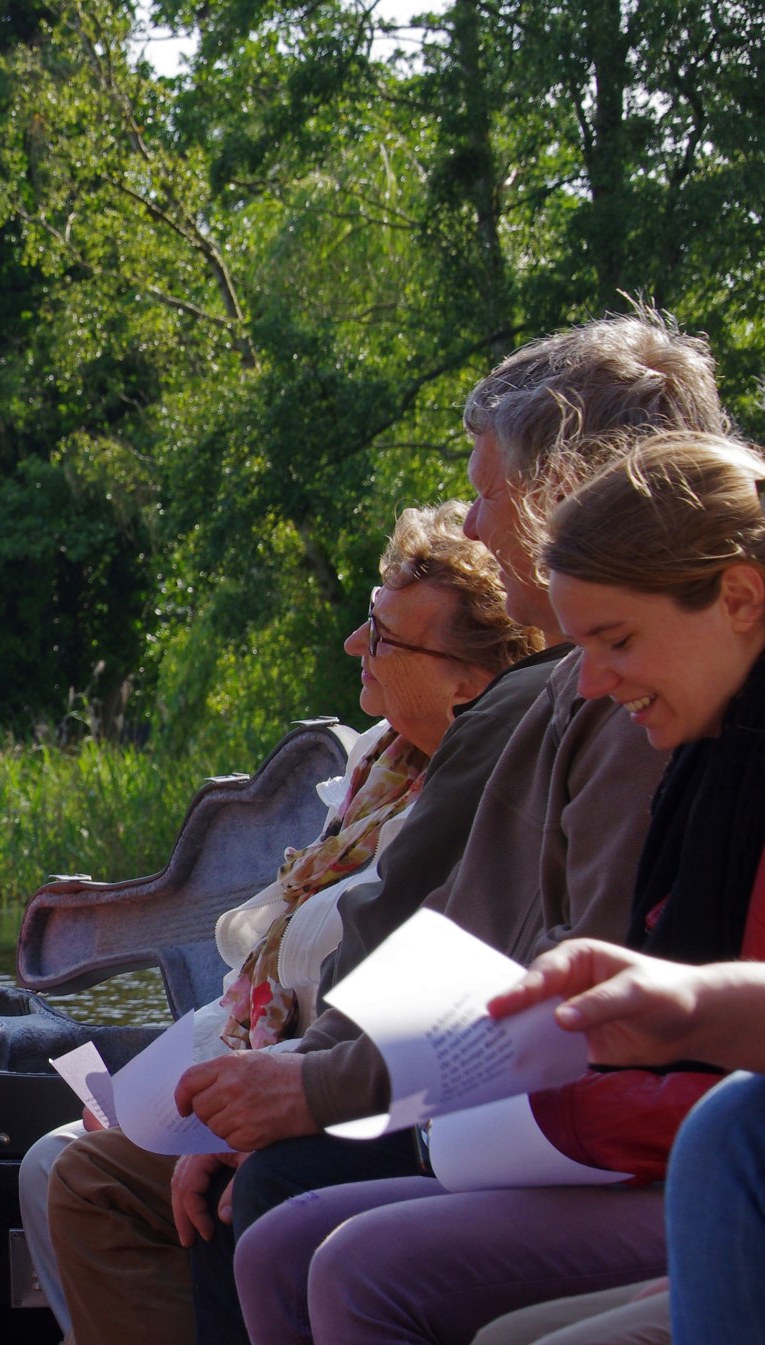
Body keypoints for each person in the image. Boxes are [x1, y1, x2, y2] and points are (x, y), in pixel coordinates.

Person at [167, 313, 727, 1344]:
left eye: (486, 492)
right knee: (280, 1228)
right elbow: (453, 938)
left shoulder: (650, 702)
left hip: (631, 1135)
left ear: (576, 487)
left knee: (334, 1244)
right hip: (570, 1124)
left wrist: (307, 1093)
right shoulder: (570, 690)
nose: (470, 527)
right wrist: (284, 1081)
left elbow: (579, 985)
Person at [29, 502, 536, 1344]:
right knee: (61, 1157)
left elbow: (403, 983)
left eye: (381, 636)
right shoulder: (378, 770)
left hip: (377, 1084)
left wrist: (263, 1094)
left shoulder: (475, 790)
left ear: (466, 680)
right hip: (286, 1053)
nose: (351, 645)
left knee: (113, 1179)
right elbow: (271, 970)